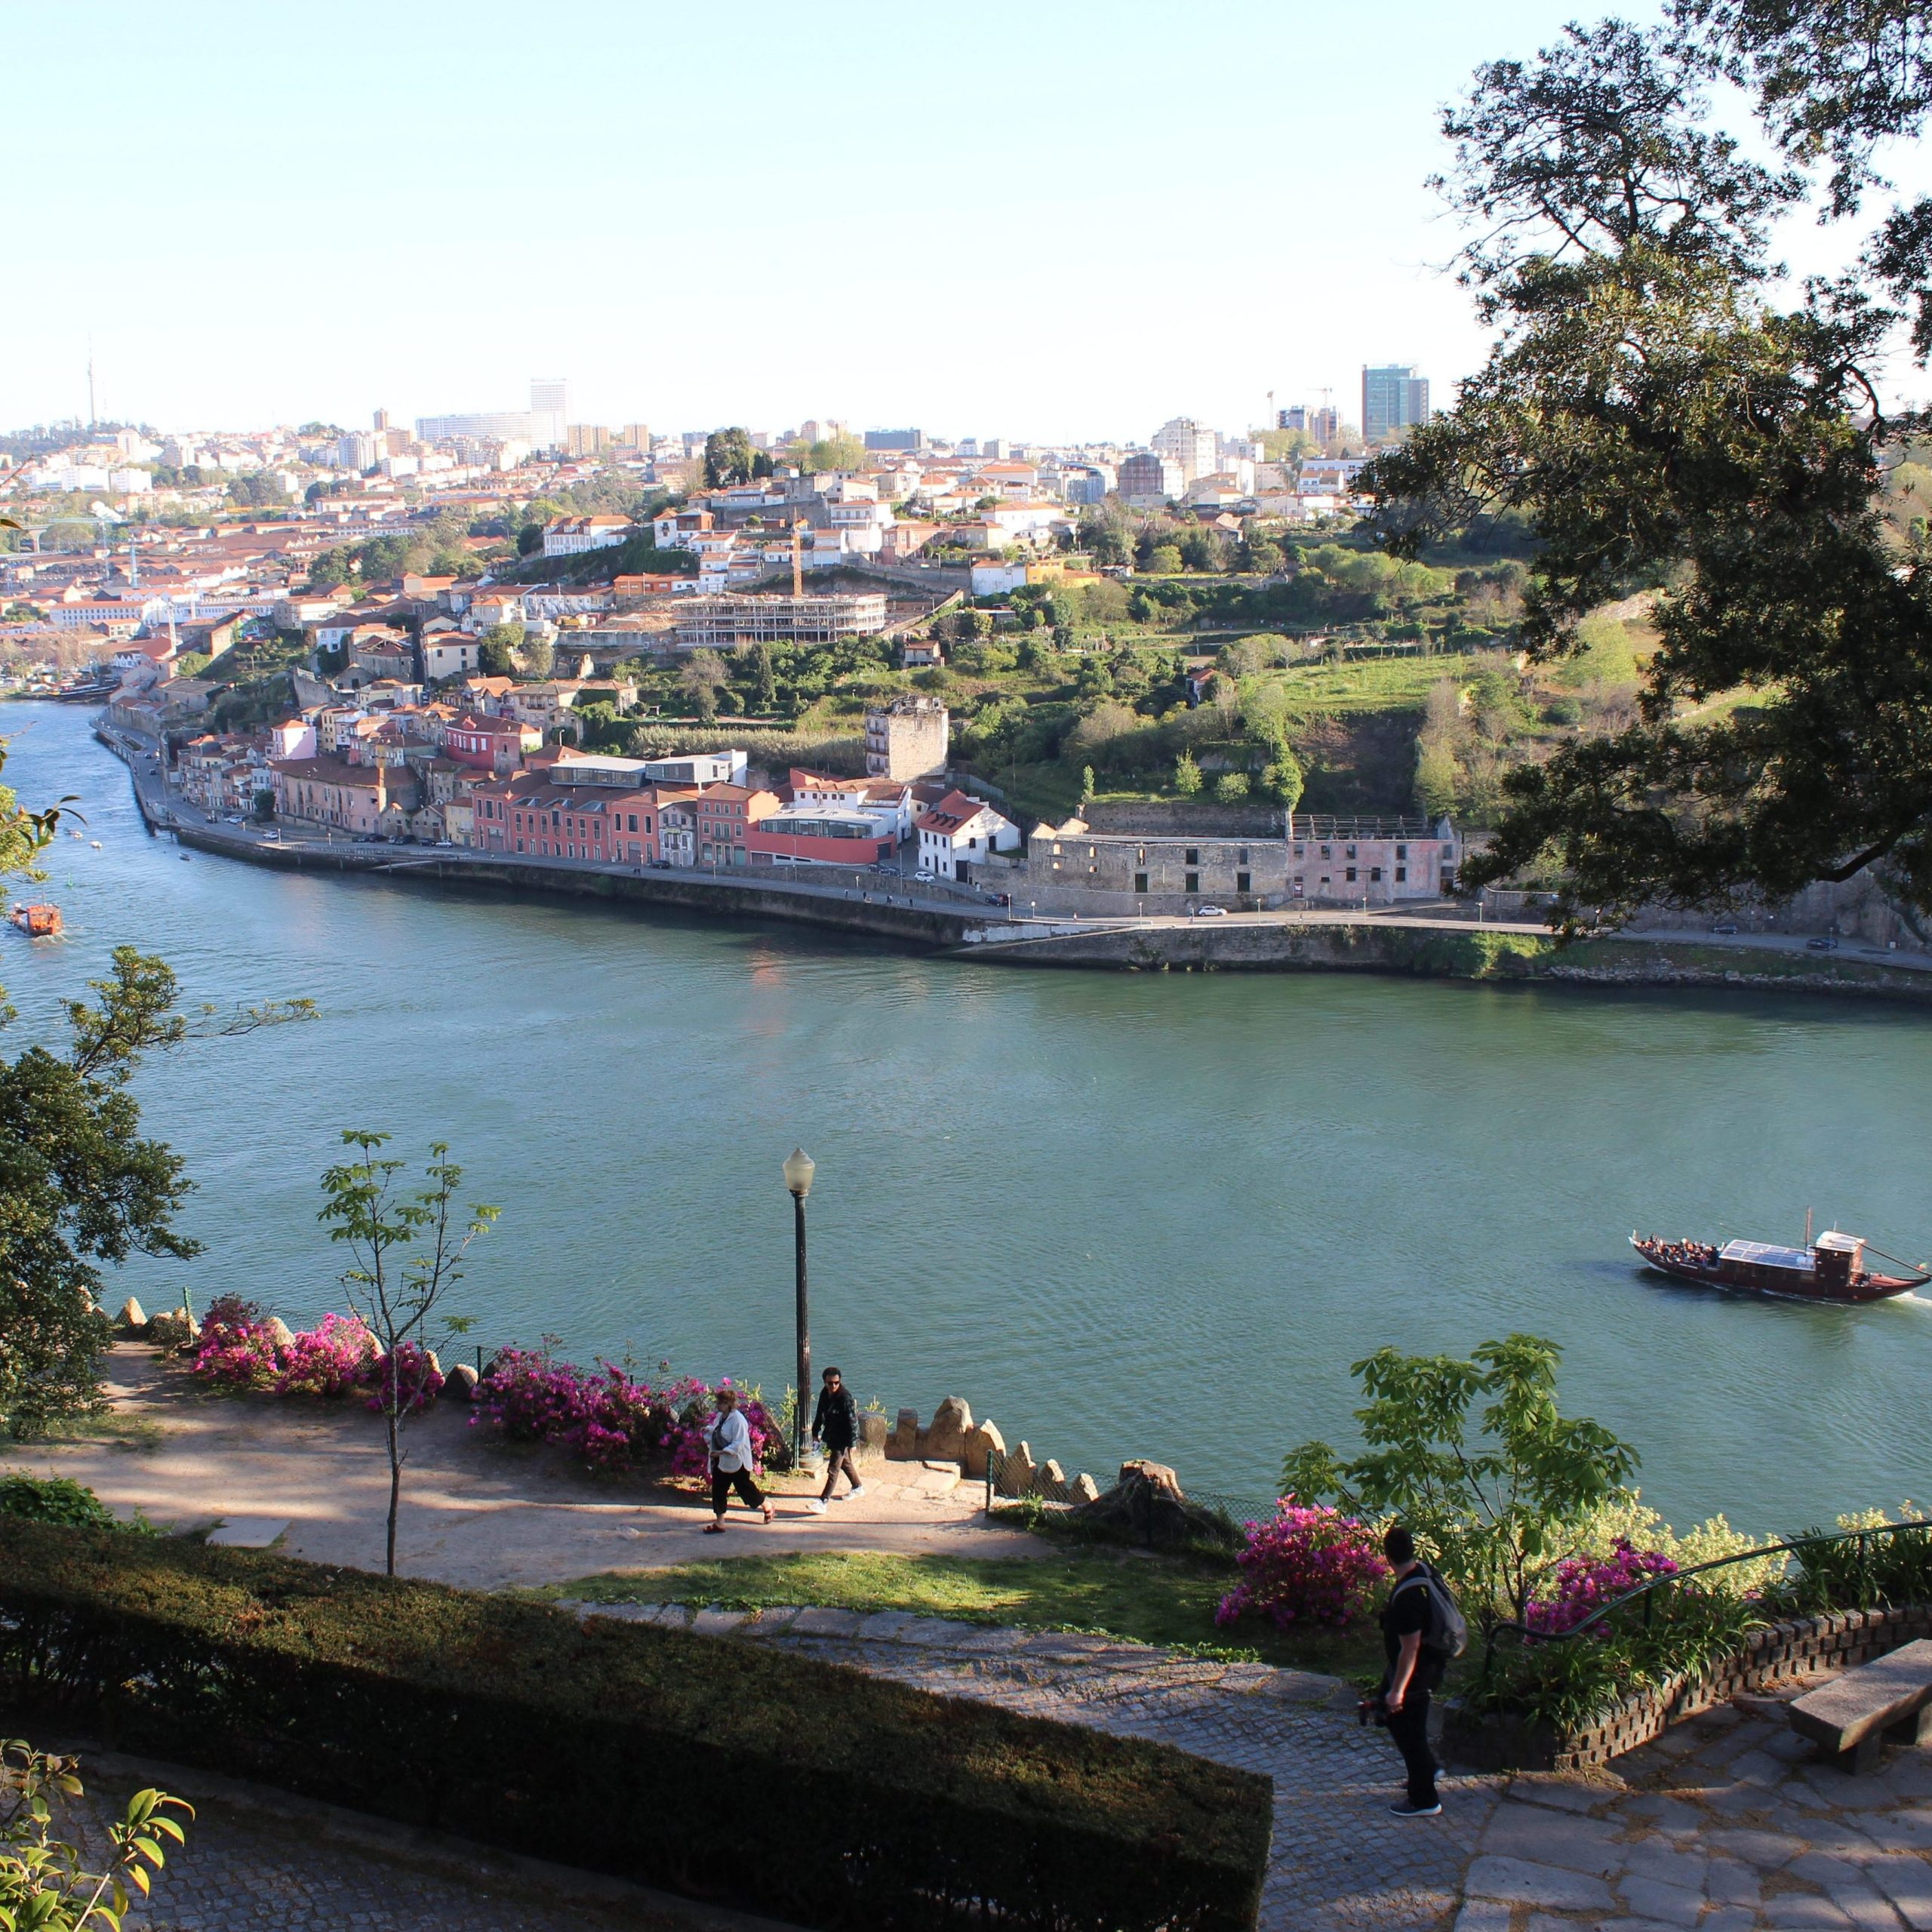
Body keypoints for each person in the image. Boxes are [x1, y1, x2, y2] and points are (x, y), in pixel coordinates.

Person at [1374, 1525, 1446, 1818]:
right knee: (1390, 1714)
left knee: (1409, 1731)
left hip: (1417, 1672)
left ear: (1387, 1555)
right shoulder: (1425, 1572)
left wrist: (1398, 1690)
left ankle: (1424, 1799)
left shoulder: (1407, 1597)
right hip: (1429, 1664)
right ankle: (1428, 1769)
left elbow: (1410, 1648)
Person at [704, 1388, 774, 1534]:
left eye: (721, 1403)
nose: (718, 1405)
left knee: (744, 1489)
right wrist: (709, 1430)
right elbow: (719, 1430)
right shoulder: (720, 1417)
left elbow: (738, 1444)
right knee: (718, 1489)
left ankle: (766, 1504)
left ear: (729, 1404)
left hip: (737, 1462)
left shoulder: (738, 1420)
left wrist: (722, 1452)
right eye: (718, 1402)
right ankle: (720, 1522)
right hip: (721, 1461)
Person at [804, 1366, 864, 1515]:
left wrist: (853, 1442)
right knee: (845, 1463)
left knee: (833, 1469)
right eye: (830, 1383)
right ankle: (858, 1487)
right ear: (825, 1382)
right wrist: (815, 1434)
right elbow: (820, 1414)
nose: (833, 1386)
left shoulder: (845, 1398)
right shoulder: (824, 1394)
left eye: (836, 1383)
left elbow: (853, 1421)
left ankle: (823, 1501)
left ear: (840, 1381)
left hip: (843, 1437)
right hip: (832, 1434)